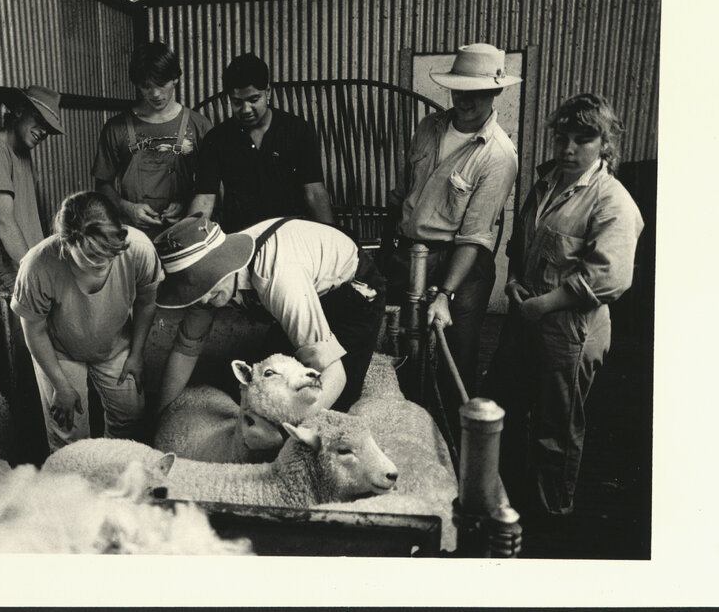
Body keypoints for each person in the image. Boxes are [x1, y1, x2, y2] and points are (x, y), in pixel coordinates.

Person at [483, 93, 644, 519]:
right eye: (562, 138)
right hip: (527, 312)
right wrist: (516, 282)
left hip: (572, 326)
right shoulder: (546, 181)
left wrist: (545, 305)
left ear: (605, 145)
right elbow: (522, 244)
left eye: (583, 139)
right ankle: (506, 497)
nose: (569, 149)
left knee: (556, 426)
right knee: (504, 403)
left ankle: (551, 513)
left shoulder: (613, 202)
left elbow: (610, 278)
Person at [380, 42, 522, 440]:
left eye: (475, 92)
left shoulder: (499, 155)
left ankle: (453, 448)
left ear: (495, 93)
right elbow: (402, 193)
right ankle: (402, 434)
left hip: (460, 263)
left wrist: (445, 294)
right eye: (458, 89)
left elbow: (475, 235)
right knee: (397, 346)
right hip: (410, 254)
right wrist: (393, 245)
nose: (464, 100)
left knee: (452, 356)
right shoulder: (429, 127)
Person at [151, 213, 385, 418]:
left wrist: (291, 429)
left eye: (205, 283)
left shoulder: (277, 277)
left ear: (224, 264)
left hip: (352, 294)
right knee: (262, 388)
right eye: (193, 289)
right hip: (301, 292)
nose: (202, 299)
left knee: (334, 406)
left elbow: (335, 373)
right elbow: (185, 350)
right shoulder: (207, 289)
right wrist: (161, 418)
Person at [11, 191, 162, 450]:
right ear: (66, 243)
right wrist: (60, 384)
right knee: (67, 431)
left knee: (130, 422)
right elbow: (33, 329)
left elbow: (147, 302)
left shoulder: (139, 249)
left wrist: (137, 354)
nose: (101, 264)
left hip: (116, 344)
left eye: (108, 254)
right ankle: (75, 486)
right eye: (90, 259)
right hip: (59, 351)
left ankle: (115, 482)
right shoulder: (38, 265)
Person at [0, 84, 64, 463]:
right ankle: (32, 462)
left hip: (31, 276)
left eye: (49, 126)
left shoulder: (22, 152)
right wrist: (34, 275)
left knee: (44, 372)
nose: (44, 130)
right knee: (29, 380)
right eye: (39, 120)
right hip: (15, 282)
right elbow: (3, 220)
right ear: (16, 111)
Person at [187, 53, 336, 232]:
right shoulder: (217, 139)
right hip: (241, 237)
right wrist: (189, 239)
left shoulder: (297, 130)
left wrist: (332, 238)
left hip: (292, 233)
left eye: (253, 99)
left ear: (268, 92)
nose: (246, 109)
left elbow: (314, 193)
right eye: (237, 102)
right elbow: (204, 198)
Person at [93, 41, 212, 239]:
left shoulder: (199, 126)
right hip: (133, 239)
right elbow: (102, 185)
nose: (155, 94)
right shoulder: (116, 128)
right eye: (146, 86)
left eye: (161, 84)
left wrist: (187, 206)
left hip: (183, 238)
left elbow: (210, 188)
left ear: (175, 78)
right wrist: (126, 208)